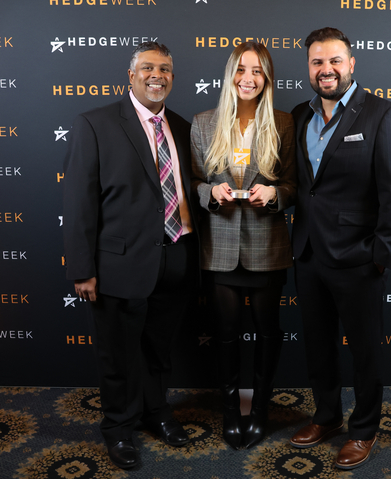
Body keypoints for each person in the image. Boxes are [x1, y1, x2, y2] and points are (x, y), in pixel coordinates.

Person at [63, 41, 198, 470]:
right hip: (117, 264)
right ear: (131, 75)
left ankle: (157, 412)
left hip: (175, 258)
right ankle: (119, 428)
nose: (157, 75)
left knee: (159, 350)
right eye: (147, 68)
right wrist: (82, 269)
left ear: (173, 77)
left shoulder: (181, 124)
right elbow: (79, 203)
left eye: (165, 69)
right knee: (118, 355)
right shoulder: (96, 123)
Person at [289, 28, 391, 470]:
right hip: (308, 254)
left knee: (365, 351)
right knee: (318, 346)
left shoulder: (382, 115)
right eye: (317, 62)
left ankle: (364, 430)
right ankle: (326, 416)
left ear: (352, 64)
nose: (326, 70)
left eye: (335, 61)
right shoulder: (299, 116)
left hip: (359, 258)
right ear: (309, 68)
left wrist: (381, 255)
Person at [191, 42, 296, 450]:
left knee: (269, 332)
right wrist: (209, 192)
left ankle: (262, 409)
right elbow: (195, 183)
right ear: (229, 75)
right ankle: (232, 411)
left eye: (256, 71)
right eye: (240, 70)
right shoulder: (203, 123)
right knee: (226, 334)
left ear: (266, 79)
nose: (247, 78)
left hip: (267, 246)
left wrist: (275, 196)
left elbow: (293, 186)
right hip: (219, 247)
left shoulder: (284, 123)